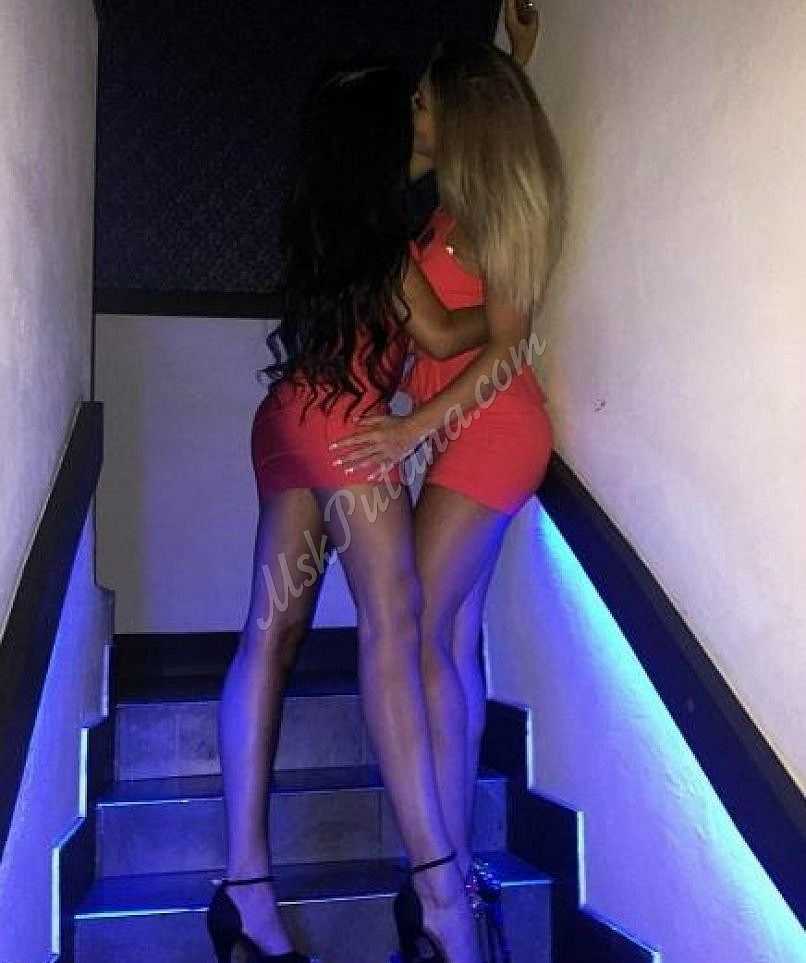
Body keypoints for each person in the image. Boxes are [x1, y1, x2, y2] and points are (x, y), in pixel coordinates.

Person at [206, 58, 493, 963]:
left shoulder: (331, 231)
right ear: (382, 138)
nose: (422, 116)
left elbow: (464, 138)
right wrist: (512, 318)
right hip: (344, 425)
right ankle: (440, 892)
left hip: (285, 419)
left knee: (268, 637)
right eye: (409, 107)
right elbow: (443, 333)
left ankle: (245, 890)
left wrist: (510, 67)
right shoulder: (386, 249)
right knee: (395, 624)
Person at [328, 21, 568, 951]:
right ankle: (454, 869)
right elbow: (476, 132)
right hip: (469, 436)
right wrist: (516, 59)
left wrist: (412, 426)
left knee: (421, 626)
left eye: (424, 100)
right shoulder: (454, 201)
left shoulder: (492, 210)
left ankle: (447, 883)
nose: (412, 110)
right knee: (451, 640)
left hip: (491, 431)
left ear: (456, 116)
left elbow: (506, 346)